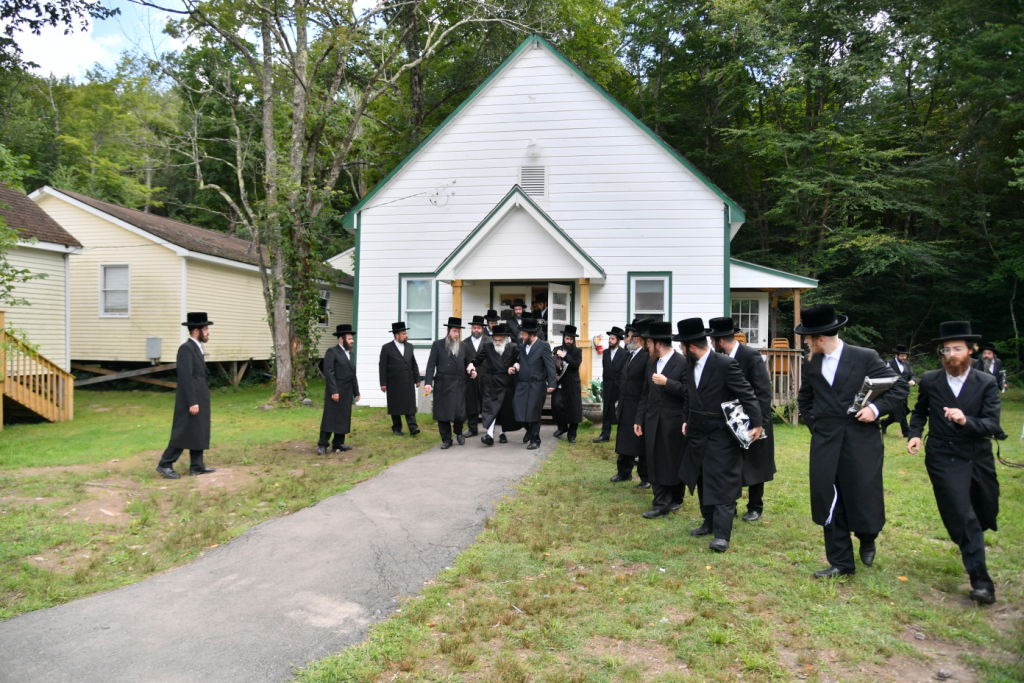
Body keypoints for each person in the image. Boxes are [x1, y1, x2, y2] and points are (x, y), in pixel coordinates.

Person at [796, 304, 907, 578]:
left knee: (861, 494)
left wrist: (876, 409)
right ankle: (841, 563)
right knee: (827, 497)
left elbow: (900, 387)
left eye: (808, 338)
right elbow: (805, 399)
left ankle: (868, 536)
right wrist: (817, 425)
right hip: (825, 441)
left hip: (861, 439)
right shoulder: (811, 362)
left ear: (819, 338)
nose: (806, 342)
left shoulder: (865, 357)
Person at [908, 321, 1003, 605]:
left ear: (971, 351)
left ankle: (969, 540)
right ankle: (981, 582)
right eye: (946, 349)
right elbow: (920, 411)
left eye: (957, 349)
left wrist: (965, 421)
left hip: (977, 455)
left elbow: (991, 424)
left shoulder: (986, 383)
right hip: (943, 456)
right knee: (964, 516)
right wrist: (914, 434)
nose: (951, 354)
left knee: (985, 509)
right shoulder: (931, 380)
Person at [677, 318, 763, 552]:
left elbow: (747, 394)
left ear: (691, 347)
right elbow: (688, 395)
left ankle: (722, 535)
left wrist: (757, 423)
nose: (681, 350)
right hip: (697, 431)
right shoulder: (689, 365)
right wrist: (686, 418)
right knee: (702, 477)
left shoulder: (724, 364)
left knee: (723, 482)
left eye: (682, 346)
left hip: (721, 433)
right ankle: (709, 522)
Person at [708, 316, 775, 522]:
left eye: (712, 340)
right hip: (730, 421)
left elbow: (763, 392)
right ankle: (731, 504)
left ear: (720, 341)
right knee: (731, 466)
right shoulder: (717, 359)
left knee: (756, 463)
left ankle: (755, 506)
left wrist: (758, 424)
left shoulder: (750, 356)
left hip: (754, 419)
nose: (711, 344)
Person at [633, 321, 689, 519]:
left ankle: (675, 498)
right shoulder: (651, 362)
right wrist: (639, 418)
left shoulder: (682, 362)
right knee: (654, 460)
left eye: (649, 343)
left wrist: (668, 383)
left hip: (672, 422)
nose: (647, 347)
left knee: (671, 461)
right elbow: (645, 393)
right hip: (651, 419)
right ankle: (660, 503)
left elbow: (688, 393)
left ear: (657, 344)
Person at [156, 312, 216, 479]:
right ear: (196, 331)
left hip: (200, 397)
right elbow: (185, 377)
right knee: (183, 431)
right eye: (205, 329)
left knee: (199, 430)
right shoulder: (186, 349)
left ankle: (197, 466)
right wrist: (192, 401)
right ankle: (165, 464)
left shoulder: (197, 347)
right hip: (190, 399)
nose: (208, 332)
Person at [423, 317, 476, 449]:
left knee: (459, 412)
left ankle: (458, 433)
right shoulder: (438, 345)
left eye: (458, 332)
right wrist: (428, 382)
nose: (457, 334)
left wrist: (472, 370)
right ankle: (446, 439)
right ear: (448, 331)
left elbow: (468, 362)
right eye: (454, 331)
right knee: (443, 414)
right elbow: (431, 365)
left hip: (459, 384)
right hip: (443, 384)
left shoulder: (464, 346)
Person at [612, 319, 651, 487]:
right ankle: (624, 472)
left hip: (637, 405)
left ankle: (645, 477)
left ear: (639, 339)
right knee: (624, 440)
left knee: (638, 442)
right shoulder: (631, 354)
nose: (631, 339)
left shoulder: (646, 356)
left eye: (633, 337)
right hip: (626, 404)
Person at [512, 316, 556, 449]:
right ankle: (530, 431)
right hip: (522, 383)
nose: (521, 335)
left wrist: (552, 383)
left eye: (523, 333)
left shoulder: (543, 346)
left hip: (537, 384)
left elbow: (550, 365)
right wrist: (516, 365)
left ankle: (535, 440)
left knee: (534, 412)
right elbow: (519, 360)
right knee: (517, 409)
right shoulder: (522, 346)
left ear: (531, 334)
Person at [318, 323, 359, 454]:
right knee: (330, 417)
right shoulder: (332, 352)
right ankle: (322, 444)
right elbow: (329, 373)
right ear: (341, 339)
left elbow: (352, 374)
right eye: (350, 338)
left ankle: (338, 444)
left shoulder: (350, 354)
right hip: (335, 391)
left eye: (352, 338)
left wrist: (356, 391)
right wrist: (334, 391)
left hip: (347, 392)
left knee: (343, 417)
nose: (352, 341)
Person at [476, 322, 520, 445]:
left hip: (507, 383)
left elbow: (519, 359)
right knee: (491, 409)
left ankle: (502, 433)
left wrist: (515, 366)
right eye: (495, 340)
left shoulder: (513, 347)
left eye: (500, 340)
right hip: (492, 383)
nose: (498, 342)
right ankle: (489, 435)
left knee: (504, 410)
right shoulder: (488, 347)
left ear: (505, 339)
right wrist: (471, 366)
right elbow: (477, 360)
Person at [379, 321, 421, 436]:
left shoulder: (409, 346)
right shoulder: (386, 348)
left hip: (408, 380)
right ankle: (397, 428)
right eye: (403, 333)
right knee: (395, 406)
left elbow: (413, 364)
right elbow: (382, 366)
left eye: (405, 333)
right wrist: (383, 383)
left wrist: (417, 379)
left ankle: (413, 428)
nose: (406, 335)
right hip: (393, 382)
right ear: (396, 335)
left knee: (410, 405)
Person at [594, 326, 627, 443]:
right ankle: (605, 434)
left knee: (620, 411)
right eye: (609, 338)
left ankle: (622, 436)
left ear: (618, 340)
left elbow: (624, 371)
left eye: (612, 339)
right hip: (608, 385)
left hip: (619, 386)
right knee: (607, 410)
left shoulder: (624, 353)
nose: (610, 341)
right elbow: (605, 369)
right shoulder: (606, 352)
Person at [552, 324, 583, 443]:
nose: (568, 341)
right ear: (563, 338)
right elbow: (552, 364)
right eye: (567, 339)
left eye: (571, 339)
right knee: (556, 404)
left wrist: (565, 356)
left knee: (574, 409)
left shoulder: (577, 351)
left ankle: (572, 434)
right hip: (560, 384)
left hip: (572, 384)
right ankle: (562, 427)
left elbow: (575, 365)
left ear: (573, 340)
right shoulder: (556, 349)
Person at [880, 344, 916, 437]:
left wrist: (912, 380)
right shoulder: (889, 363)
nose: (904, 357)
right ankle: (906, 432)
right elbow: (884, 376)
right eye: (902, 355)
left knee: (902, 412)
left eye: (905, 355)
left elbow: (911, 375)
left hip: (904, 393)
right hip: (893, 392)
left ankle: (885, 422)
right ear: (896, 355)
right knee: (901, 412)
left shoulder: (907, 365)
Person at [461, 315, 488, 436]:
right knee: (471, 404)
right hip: (470, 378)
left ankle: (489, 430)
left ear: (482, 328)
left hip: (486, 377)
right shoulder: (464, 343)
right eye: (474, 327)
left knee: (487, 403)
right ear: (471, 328)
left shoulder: (489, 341)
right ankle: (472, 429)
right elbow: (462, 361)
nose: (476, 330)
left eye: (478, 328)